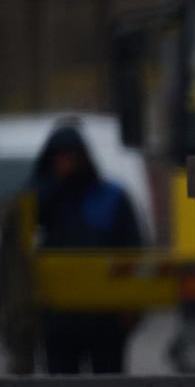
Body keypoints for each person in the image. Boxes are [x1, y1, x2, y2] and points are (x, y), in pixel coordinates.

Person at [19, 125, 146, 374]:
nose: (64, 163)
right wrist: (53, 185)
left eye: (70, 157)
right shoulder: (40, 198)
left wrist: (133, 304)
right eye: (58, 158)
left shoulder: (111, 197)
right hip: (58, 317)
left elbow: (133, 250)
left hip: (106, 315)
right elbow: (21, 237)